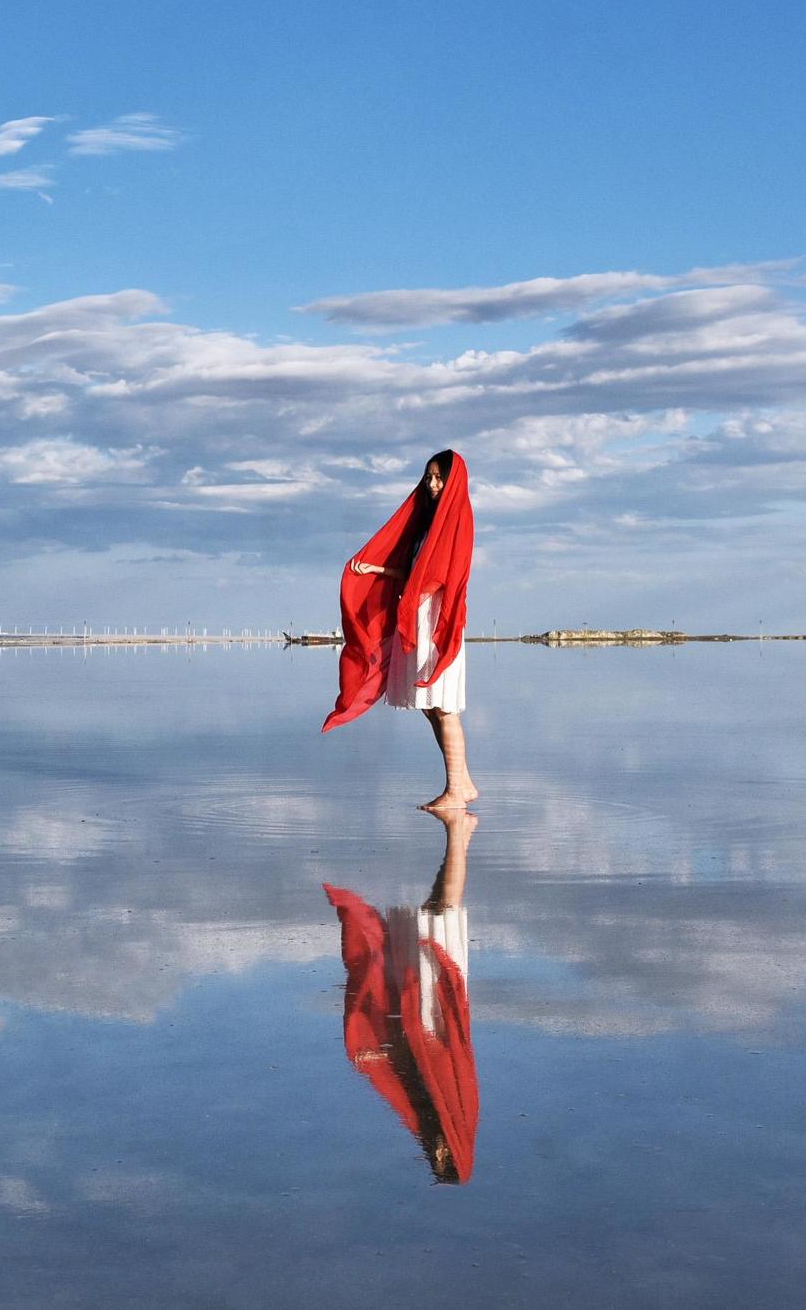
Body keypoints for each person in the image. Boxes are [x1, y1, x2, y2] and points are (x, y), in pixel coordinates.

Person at [321, 802, 479, 1184]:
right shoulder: (456, 1108)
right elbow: (443, 1053)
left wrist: (376, 1055)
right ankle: (460, 834)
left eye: (435, 1161)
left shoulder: (430, 1118)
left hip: (423, 1008)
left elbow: (405, 1076)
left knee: (432, 911)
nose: (437, 1153)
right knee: (442, 912)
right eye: (445, 1159)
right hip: (436, 1005)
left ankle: (460, 835)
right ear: (455, 1151)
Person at [322, 449, 477, 812]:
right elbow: (414, 572)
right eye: (429, 478)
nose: (433, 485)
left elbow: (442, 577)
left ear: (453, 481)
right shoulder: (427, 524)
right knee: (429, 706)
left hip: (437, 622)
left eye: (440, 478)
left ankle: (457, 789)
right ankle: (463, 782)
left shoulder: (457, 521)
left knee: (443, 705)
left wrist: (414, 593)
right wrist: (375, 570)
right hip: (419, 617)